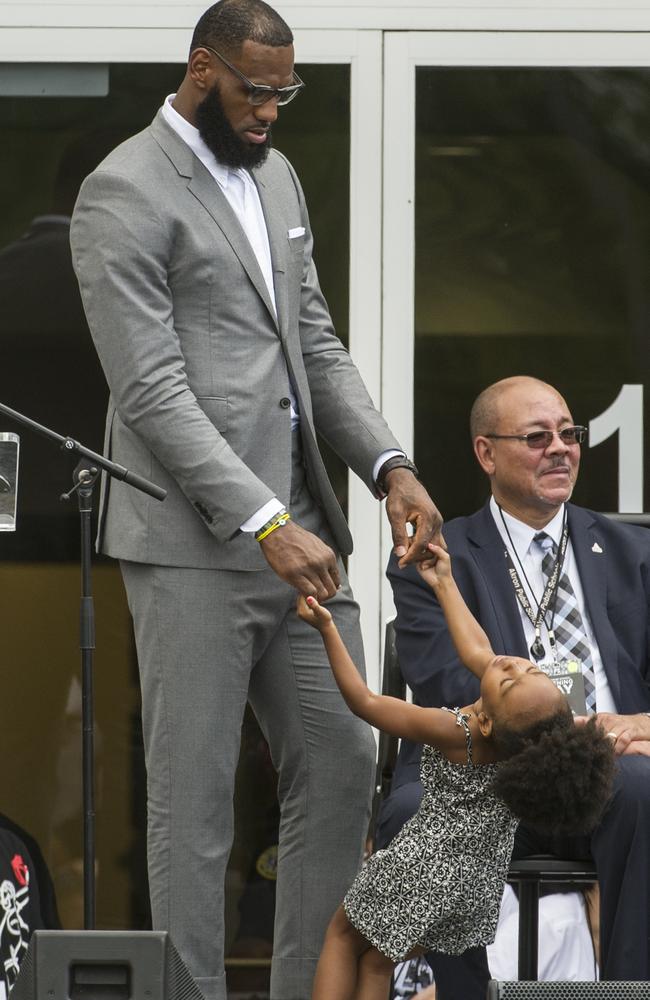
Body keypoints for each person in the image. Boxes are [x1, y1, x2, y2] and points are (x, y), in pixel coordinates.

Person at [69, 2, 441, 998]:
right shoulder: (123, 191)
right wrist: (263, 520)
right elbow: (150, 391)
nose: (271, 110)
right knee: (191, 804)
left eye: (285, 92)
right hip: (193, 542)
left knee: (344, 752)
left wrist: (387, 465)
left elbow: (311, 341)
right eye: (254, 90)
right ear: (202, 70)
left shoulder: (275, 176)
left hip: (304, 533)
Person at [385, 375, 650, 998]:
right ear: (486, 453)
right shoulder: (439, 560)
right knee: (414, 809)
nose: (560, 449)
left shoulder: (634, 553)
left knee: (644, 791)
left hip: (615, 775)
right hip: (491, 769)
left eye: (568, 434)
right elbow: (450, 684)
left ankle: (632, 988)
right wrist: (591, 722)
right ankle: (460, 994)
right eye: (536, 437)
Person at [297, 542, 614, 1000]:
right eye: (529, 669)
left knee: (342, 937)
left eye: (510, 677)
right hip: (470, 886)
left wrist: (326, 629)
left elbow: (365, 703)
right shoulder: (522, 739)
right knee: (377, 958)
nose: (512, 664)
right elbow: (479, 651)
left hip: (423, 867)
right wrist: (444, 582)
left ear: (485, 719)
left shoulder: (461, 730)